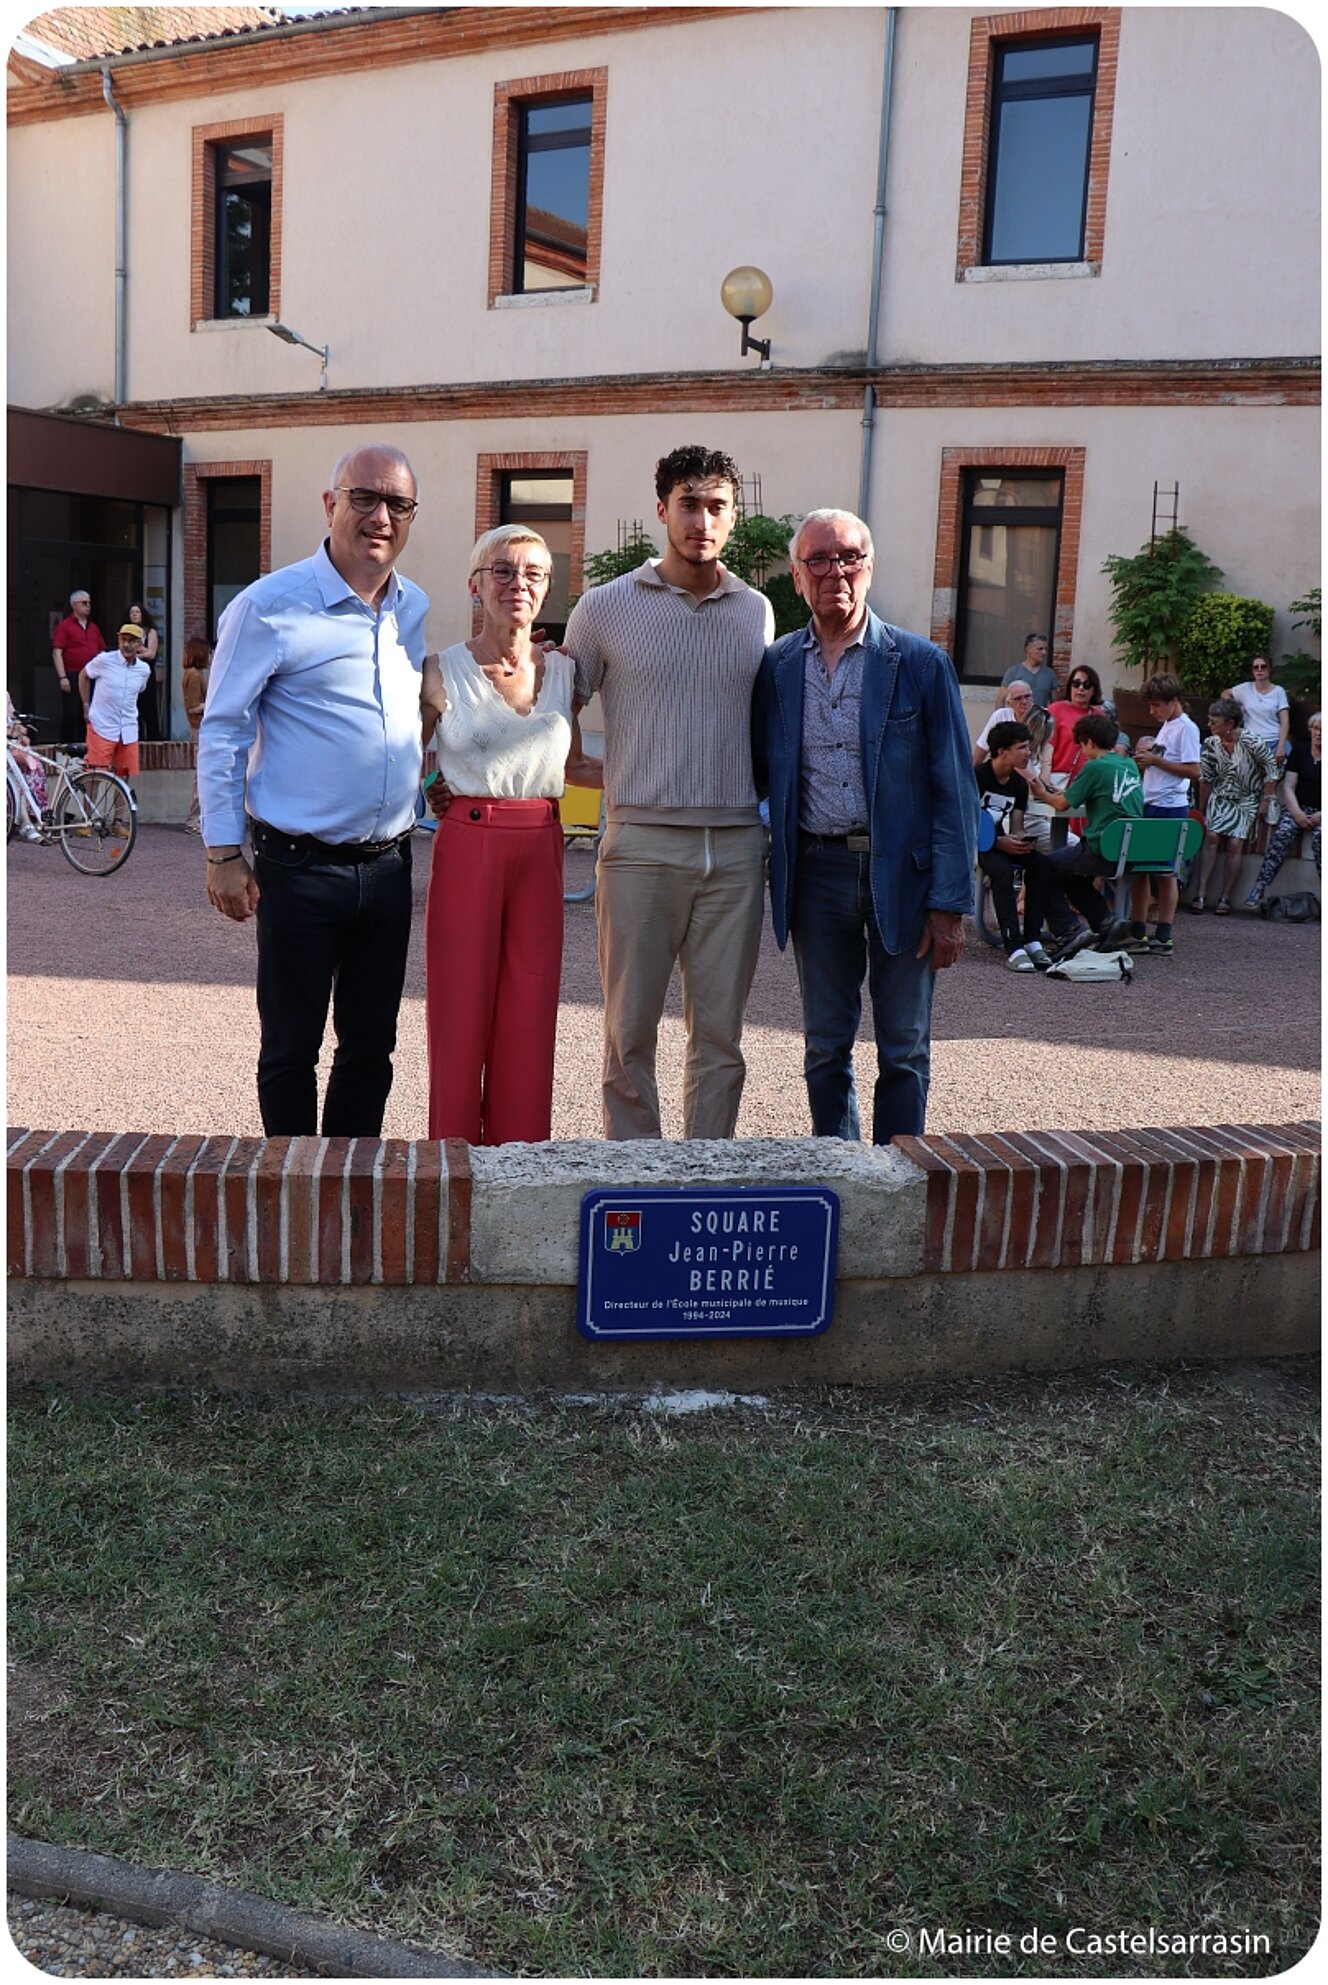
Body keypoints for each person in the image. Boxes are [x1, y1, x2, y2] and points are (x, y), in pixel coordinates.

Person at [198, 443, 428, 1137]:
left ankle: (347, 1201)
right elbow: (222, 731)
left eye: (398, 503)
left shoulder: (411, 606)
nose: (380, 516)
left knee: (370, 1050)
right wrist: (221, 851)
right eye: (364, 497)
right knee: (291, 1049)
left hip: (389, 868)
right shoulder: (268, 607)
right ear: (331, 505)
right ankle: (294, 1207)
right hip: (299, 870)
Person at [563, 444, 773, 1141]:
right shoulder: (604, 607)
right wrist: (576, 766)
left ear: (733, 518)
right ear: (662, 511)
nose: (701, 520)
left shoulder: (757, 612)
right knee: (629, 1036)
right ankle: (636, 1183)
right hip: (640, 845)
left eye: (716, 506)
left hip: (738, 846)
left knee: (721, 1039)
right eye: (688, 503)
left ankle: (705, 1179)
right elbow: (556, 696)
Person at [754, 507, 976, 1143]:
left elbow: (953, 789)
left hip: (903, 875)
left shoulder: (920, 664)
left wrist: (950, 902)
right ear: (797, 577)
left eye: (849, 558)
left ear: (869, 568)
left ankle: (898, 1176)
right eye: (819, 561)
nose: (836, 573)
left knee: (904, 1048)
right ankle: (843, 1173)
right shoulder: (776, 667)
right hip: (817, 875)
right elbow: (760, 767)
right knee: (825, 1046)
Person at [421, 526, 601, 1145]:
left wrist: (656, 785)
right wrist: (429, 790)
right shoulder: (440, 670)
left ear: (548, 587)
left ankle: (521, 1164)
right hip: (470, 843)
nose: (517, 584)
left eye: (532, 573)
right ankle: (453, 1165)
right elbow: (412, 763)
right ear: (475, 584)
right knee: (459, 1010)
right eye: (502, 571)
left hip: (540, 845)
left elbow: (575, 766)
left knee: (529, 1013)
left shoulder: (563, 672)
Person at [1026, 711, 1143, 945]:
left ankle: (1068, 928)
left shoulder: (1094, 767)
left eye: (1081, 745)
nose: (1082, 751)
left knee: (1044, 867)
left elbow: (1061, 804)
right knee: (1071, 875)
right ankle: (1105, 922)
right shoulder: (1128, 764)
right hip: (1131, 848)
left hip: (1103, 847)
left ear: (1089, 741)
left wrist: (1040, 792)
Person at [1124, 671, 1202, 956]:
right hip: (1151, 801)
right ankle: (1138, 929)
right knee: (1140, 869)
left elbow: (1194, 770)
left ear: (1174, 701)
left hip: (1170, 805)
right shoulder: (1168, 725)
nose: (1153, 711)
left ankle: (1164, 933)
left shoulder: (1186, 728)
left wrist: (1155, 760)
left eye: (1157, 705)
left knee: (1166, 872)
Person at [1188, 696, 1276, 915]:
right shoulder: (1211, 743)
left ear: (1229, 724)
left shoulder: (1251, 742)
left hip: (1247, 798)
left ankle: (1225, 897)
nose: (1209, 725)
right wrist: (1202, 809)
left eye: (1214, 721)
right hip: (1222, 796)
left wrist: (1265, 801)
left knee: (1236, 843)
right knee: (1211, 836)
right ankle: (1200, 893)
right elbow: (1206, 778)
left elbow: (1272, 771)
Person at [976, 721, 1052, 971]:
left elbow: (1017, 825)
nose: (1028, 753)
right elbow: (963, 823)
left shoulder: (1019, 784)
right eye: (1022, 747)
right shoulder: (977, 777)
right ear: (1002, 751)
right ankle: (1013, 944)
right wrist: (999, 843)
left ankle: (1032, 939)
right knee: (1002, 871)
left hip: (1001, 842)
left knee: (1042, 865)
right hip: (976, 845)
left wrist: (1023, 840)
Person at [1246, 710, 1321, 908]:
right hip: (1298, 807)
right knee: (1283, 833)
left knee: (1321, 839)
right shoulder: (1300, 752)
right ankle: (1259, 887)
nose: (1319, 733)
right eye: (1315, 729)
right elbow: (1288, 787)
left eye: (1323, 730)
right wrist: (1297, 813)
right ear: (1310, 730)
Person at [81, 624, 152, 781]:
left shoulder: (144, 670)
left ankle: (121, 807)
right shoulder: (105, 659)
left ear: (140, 644)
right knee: (94, 776)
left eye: (132, 641)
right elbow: (84, 675)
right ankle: (89, 807)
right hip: (102, 725)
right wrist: (86, 706)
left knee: (123, 778)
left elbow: (139, 690)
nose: (126, 644)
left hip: (128, 729)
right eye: (123, 639)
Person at [51, 589, 104, 744]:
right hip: (73, 674)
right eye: (84, 603)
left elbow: (102, 651)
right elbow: (57, 652)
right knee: (71, 713)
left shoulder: (94, 628)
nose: (88, 606)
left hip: (92, 676)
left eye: (89, 603)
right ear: (74, 605)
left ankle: (85, 748)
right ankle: (65, 749)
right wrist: (62, 677)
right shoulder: (65, 626)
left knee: (89, 714)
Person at [1224, 656, 1290, 773]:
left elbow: (1285, 721)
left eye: (1263, 667)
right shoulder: (1245, 688)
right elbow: (1225, 693)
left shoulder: (1278, 691)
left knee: (1276, 776)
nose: (1259, 670)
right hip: (1251, 742)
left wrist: (1280, 746)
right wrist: (1236, 707)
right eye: (1256, 667)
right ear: (1252, 671)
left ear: (1269, 669)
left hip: (1274, 740)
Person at [1045, 664, 1106, 786]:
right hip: (1057, 778)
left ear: (1094, 690)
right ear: (1070, 687)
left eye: (1087, 685)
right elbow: (1047, 747)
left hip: (1089, 780)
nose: (1081, 688)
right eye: (1076, 684)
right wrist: (1045, 779)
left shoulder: (1100, 716)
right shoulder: (1056, 709)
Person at [181, 635, 212, 833]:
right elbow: (193, 707)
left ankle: (197, 818)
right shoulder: (194, 675)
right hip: (200, 728)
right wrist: (211, 704)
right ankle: (194, 820)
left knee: (202, 774)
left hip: (200, 728)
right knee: (201, 775)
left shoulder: (194, 674)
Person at [972, 679, 1037, 765]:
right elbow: (982, 747)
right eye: (1018, 698)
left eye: (1027, 696)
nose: (1024, 701)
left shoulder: (1043, 717)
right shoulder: (1000, 715)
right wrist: (971, 774)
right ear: (1009, 703)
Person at [127, 602, 162, 742]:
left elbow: (151, 654)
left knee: (149, 708)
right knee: (134, 709)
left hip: (146, 674)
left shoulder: (150, 632)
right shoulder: (126, 632)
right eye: (132, 612)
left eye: (137, 612)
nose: (134, 614)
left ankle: (154, 740)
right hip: (131, 674)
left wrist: (137, 650)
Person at [998, 632, 1057, 711]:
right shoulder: (1013, 672)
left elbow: (1055, 704)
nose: (1044, 653)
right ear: (1028, 649)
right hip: (1017, 720)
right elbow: (1001, 701)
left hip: (1039, 720)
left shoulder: (1049, 674)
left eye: (1045, 649)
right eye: (1040, 649)